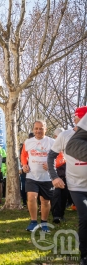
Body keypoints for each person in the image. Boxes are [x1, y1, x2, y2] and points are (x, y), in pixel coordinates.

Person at [21, 120, 55, 233]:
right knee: (31, 197)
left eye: (41, 128)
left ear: (45, 129)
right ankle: (33, 222)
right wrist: (24, 164)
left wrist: (52, 165)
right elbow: (24, 155)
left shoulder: (52, 142)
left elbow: (61, 157)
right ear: (33, 129)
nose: (38, 131)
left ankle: (44, 223)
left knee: (45, 201)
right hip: (32, 176)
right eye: (36, 128)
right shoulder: (28, 142)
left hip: (47, 177)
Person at [64, 108, 87, 265]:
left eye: (77, 117)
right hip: (77, 186)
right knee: (85, 217)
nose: (75, 120)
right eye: (75, 117)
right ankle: (84, 255)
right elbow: (58, 153)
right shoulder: (68, 135)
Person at [47, 127, 68, 224]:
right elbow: (48, 157)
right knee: (56, 194)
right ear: (55, 136)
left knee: (64, 194)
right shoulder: (51, 144)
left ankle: (61, 214)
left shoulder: (66, 144)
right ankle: (56, 215)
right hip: (55, 172)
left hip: (64, 171)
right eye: (59, 136)